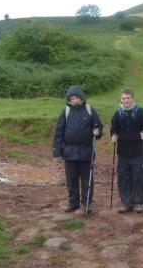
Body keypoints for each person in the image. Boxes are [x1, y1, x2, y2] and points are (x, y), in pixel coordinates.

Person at [53, 86, 103, 214]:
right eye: (71, 98)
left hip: (86, 151)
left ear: (81, 98)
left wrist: (97, 132)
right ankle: (73, 203)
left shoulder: (90, 110)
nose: (74, 100)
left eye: (75, 98)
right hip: (69, 152)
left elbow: (98, 128)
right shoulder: (65, 112)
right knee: (71, 179)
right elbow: (59, 132)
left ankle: (87, 204)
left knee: (87, 179)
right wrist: (57, 150)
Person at [110, 87, 143, 213]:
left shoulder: (140, 112)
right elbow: (113, 129)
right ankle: (126, 203)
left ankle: (138, 203)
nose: (126, 101)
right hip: (122, 152)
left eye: (128, 98)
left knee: (138, 177)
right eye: (123, 98)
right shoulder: (118, 113)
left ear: (132, 99)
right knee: (123, 177)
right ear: (121, 99)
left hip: (138, 151)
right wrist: (113, 136)